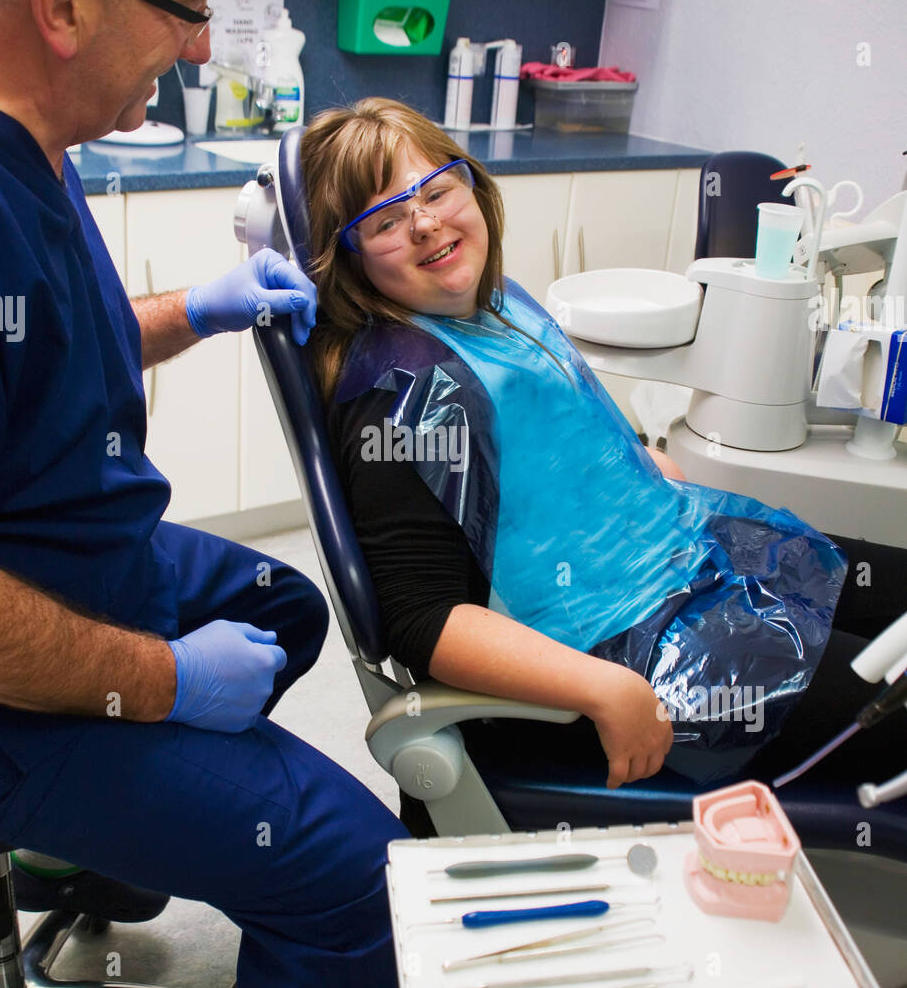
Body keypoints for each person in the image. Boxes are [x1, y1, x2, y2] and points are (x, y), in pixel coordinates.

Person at [0, 0, 410, 988]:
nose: (201, 45)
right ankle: (86, 819)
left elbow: (44, 345)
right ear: (64, 0)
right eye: (185, 8)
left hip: (81, 563)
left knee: (287, 604)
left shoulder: (31, 135)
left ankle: (76, 851)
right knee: (361, 876)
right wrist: (157, 683)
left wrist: (198, 306)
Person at [300, 97, 907, 807]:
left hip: (684, 554)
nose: (425, 222)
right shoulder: (401, 394)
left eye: (435, 190)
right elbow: (421, 619)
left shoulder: (495, 305)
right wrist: (604, 688)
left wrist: (633, 474)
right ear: (350, 260)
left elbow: (550, 442)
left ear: (473, 186)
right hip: (627, 645)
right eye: (384, 221)